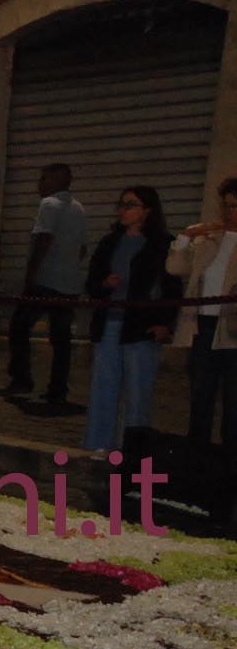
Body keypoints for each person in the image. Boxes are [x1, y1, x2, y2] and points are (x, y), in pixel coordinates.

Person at [82, 186, 179, 454]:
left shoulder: (162, 243)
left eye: (131, 204)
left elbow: (171, 287)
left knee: (138, 390)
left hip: (141, 326)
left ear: (147, 210)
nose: (124, 210)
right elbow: (92, 282)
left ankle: (133, 450)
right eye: (122, 204)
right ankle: (99, 445)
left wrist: (165, 323)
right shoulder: (109, 242)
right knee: (103, 387)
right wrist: (104, 284)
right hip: (110, 321)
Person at [6, 163, 85, 402]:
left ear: (56, 181)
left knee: (19, 327)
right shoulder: (79, 208)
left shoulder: (48, 205)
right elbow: (82, 248)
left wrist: (31, 275)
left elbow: (43, 240)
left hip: (46, 280)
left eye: (43, 179)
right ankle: (58, 388)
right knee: (61, 339)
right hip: (69, 283)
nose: (39, 184)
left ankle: (21, 379)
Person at [168, 176, 237, 447]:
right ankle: (197, 461)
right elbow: (175, 268)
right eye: (227, 206)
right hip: (204, 326)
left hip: (233, 331)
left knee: (233, 404)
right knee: (200, 398)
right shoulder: (210, 239)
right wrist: (186, 237)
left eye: (235, 206)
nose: (230, 212)